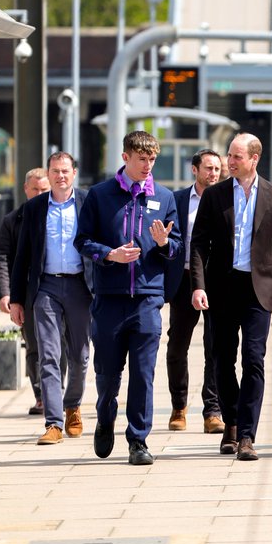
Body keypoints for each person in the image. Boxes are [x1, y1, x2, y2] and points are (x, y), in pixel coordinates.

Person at [76, 131, 181, 466]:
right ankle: (105, 415)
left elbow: (175, 246)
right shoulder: (100, 195)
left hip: (147, 299)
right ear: (125, 158)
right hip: (109, 299)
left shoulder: (163, 198)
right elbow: (82, 240)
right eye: (141, 159)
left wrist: (165, 243)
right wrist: (110, 255)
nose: (147, 165)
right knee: (107, 374)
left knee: (144, 373)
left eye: (152, 159)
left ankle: (138, 439)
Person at [190, 133, 272, 461]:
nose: (229, 162)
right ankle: (231, 422)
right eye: (229, 156)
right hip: (221, 288)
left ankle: (247, 434)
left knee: (254, 360)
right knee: (222, 359)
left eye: (236, 157)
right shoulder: (215, 195)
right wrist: (198, 285)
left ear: (253, 159)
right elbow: (198, 244)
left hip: (258, 290)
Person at [10, 152, 93, 446]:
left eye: (65, 171)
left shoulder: (88, 203)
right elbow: (22, 257)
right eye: (55, 171)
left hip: (80, 287)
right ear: (49, 173)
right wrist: (17, 299)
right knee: (48, 354)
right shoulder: (34, 208)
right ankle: (54, 422)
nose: (60, 176)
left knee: (80, 356)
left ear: (74, 173)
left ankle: (72, 406)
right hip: (45, 288)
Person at [163, 149, 224, 434]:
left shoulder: (227, 198)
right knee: (177, 345)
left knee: (216, 346)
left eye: (217, 168)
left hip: (217, 281)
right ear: (194, 170)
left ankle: (212, 410)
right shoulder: (176, 200)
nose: (214, 173)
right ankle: (179, 406)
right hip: (183, 281)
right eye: (209, 168)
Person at [0, 167, 50, 415]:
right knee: (35, 345)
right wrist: (5, 294)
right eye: (34, 189)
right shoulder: (13, 220)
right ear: (26, 190)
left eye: (43, 189)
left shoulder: (64, 215)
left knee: (61, 345)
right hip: (27, 292)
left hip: (58, 286)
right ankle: (41, 396)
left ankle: (58, 392)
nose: (39, 193)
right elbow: (2, 258)